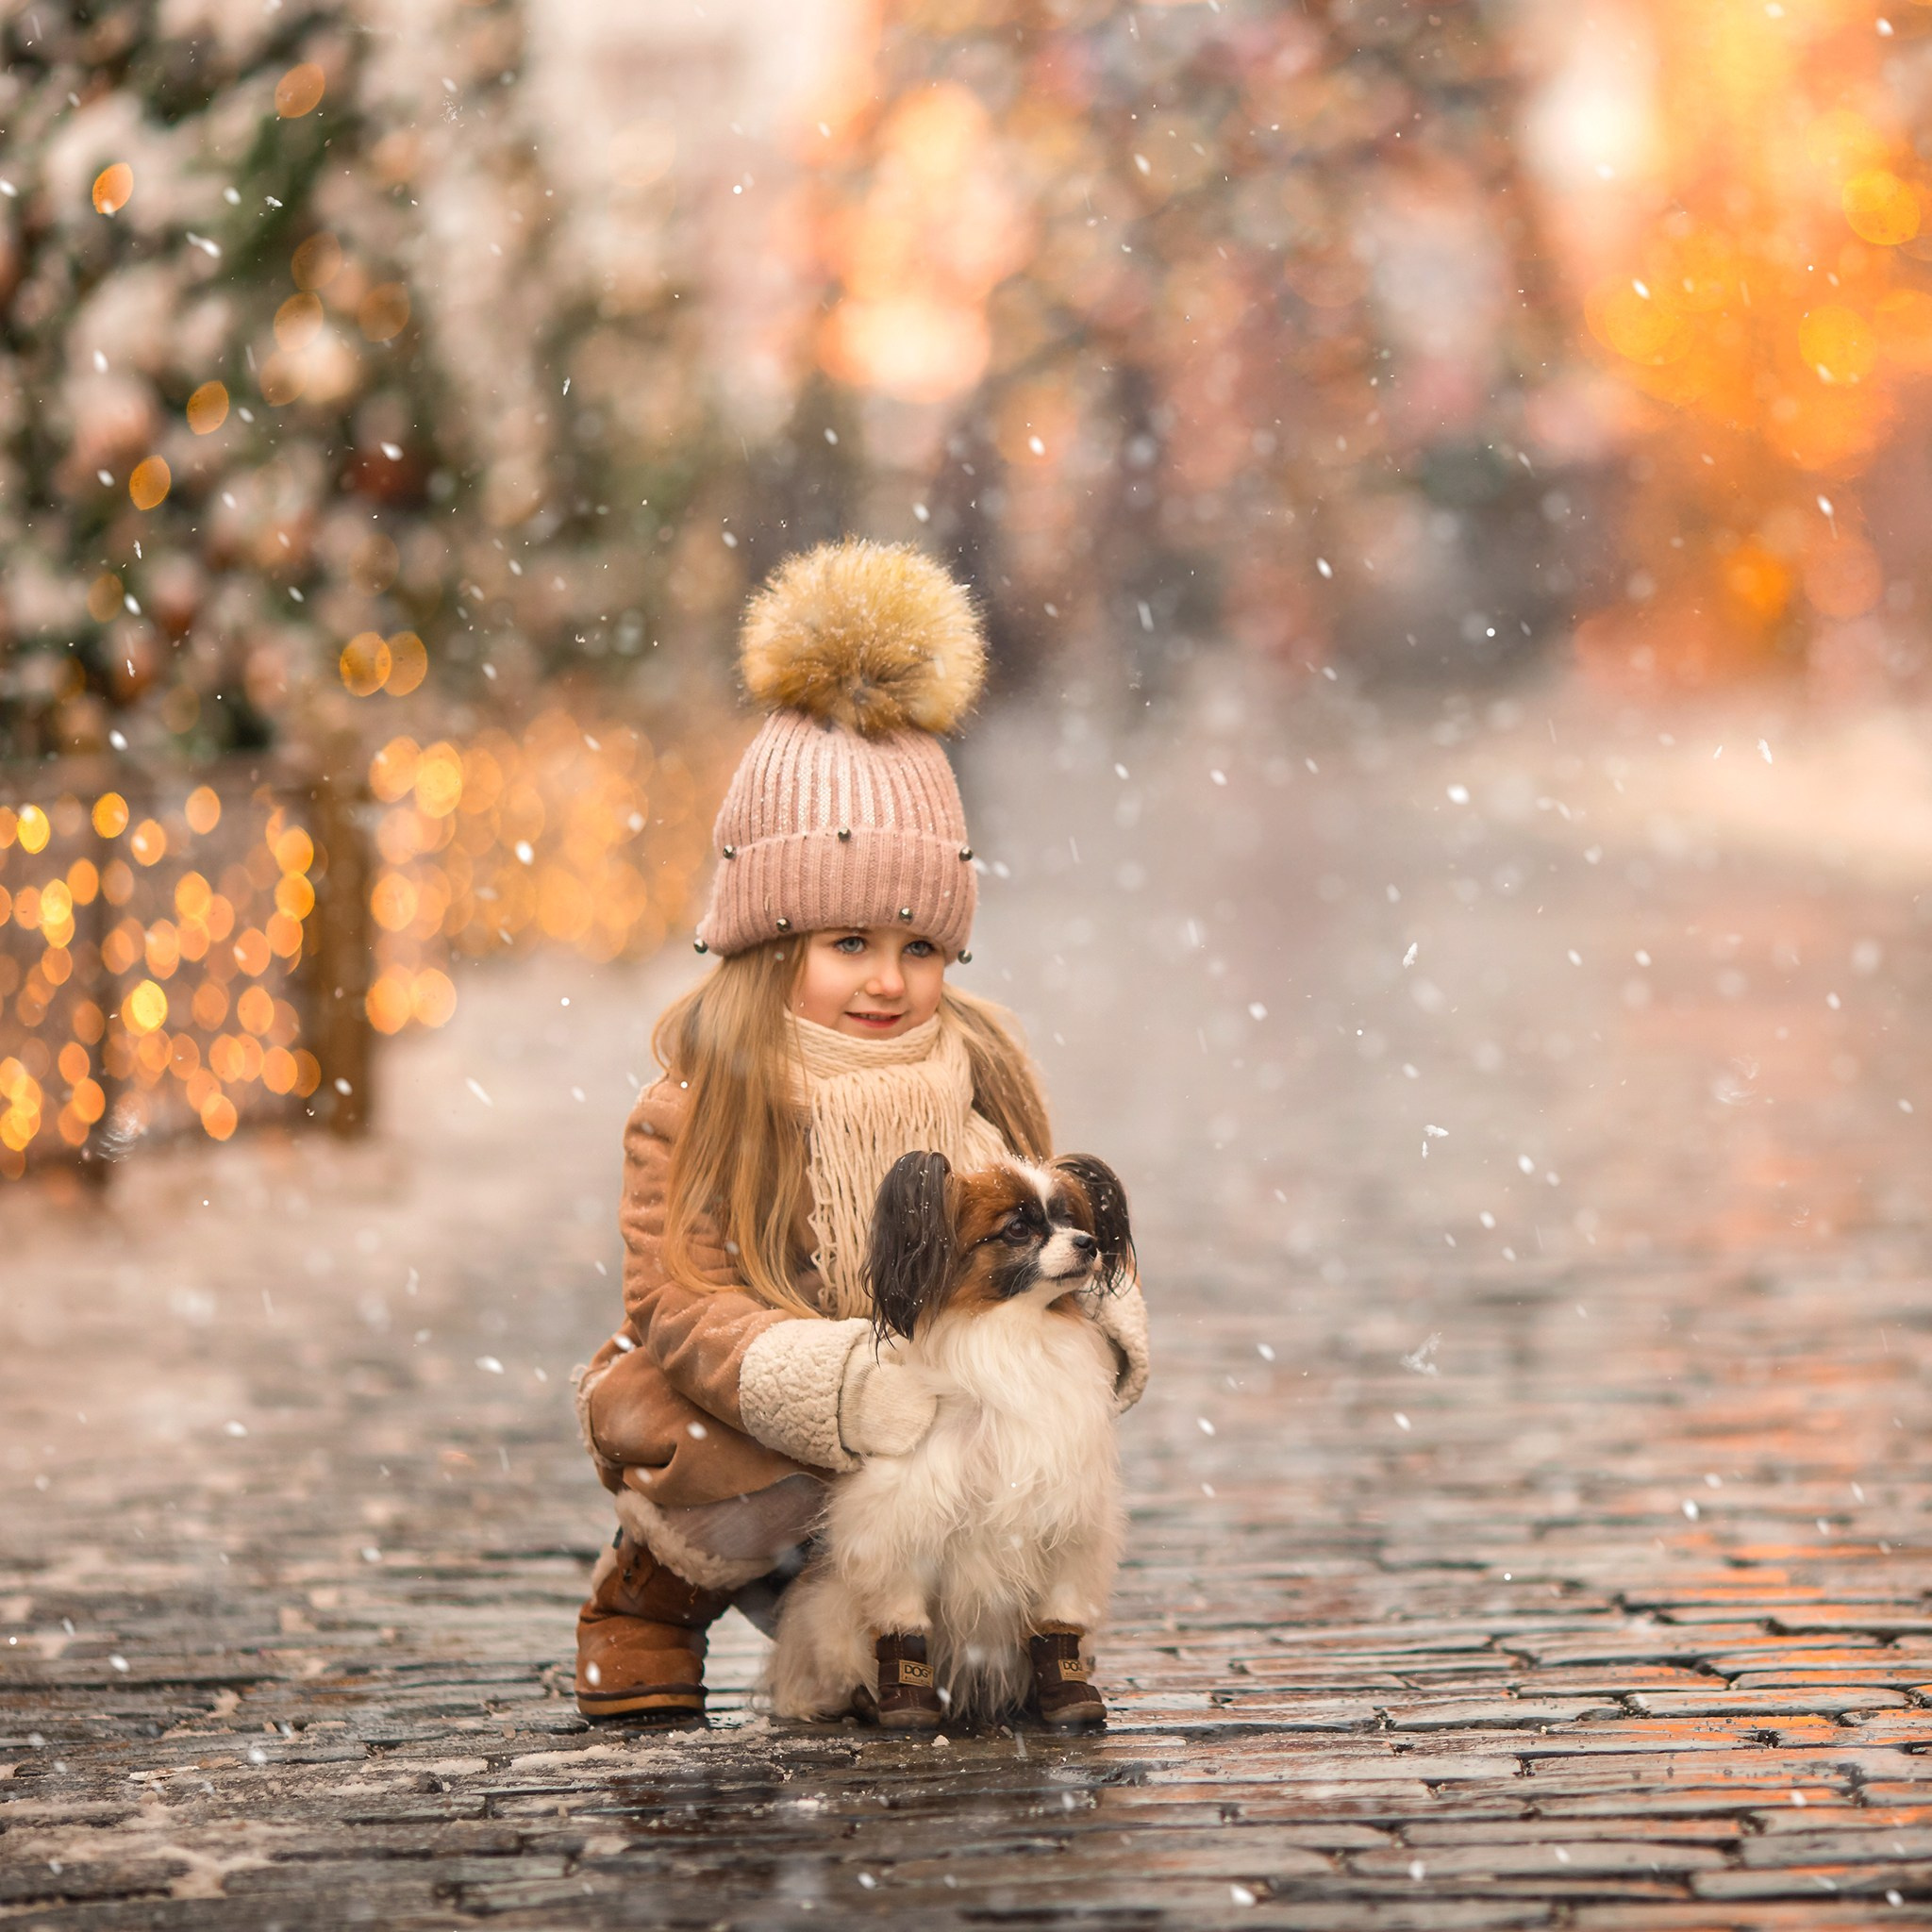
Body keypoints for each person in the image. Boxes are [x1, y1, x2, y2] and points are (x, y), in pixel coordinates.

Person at [571, 538, 1149, 1724]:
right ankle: (648, 1590)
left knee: (1005, 1429)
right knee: (718, 1433)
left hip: (938, 1442)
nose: (888, 980)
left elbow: (1040, 1209)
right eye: (847, 944)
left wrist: (1089, 1318)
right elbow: (677, 1303)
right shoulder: (701, 1101)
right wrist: (836, 1383)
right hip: (781, 1447)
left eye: (919, 946)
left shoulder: (976, 1072)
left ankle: (980, 1625)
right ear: (770, 941)